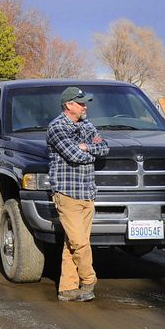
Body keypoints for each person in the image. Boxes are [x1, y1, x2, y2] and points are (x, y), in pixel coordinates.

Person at [47, 86, 109, 302]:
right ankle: (89, 279)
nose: (85, 106)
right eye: (81, 103)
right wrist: (85, 149)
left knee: (72, 243)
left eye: (85, 103)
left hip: (87, 193)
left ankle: (67, 288)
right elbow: (74, 155)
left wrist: (87, 147)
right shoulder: (57, 127)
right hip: (67, 194)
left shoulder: (87, 125)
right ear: (69, 105)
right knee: (79, 242)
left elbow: (105, 147)